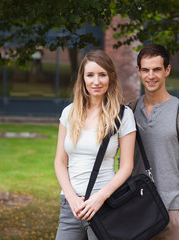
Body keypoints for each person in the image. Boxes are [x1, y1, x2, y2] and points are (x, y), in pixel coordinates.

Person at [54, 50, 136, 240]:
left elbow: (126, 166)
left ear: (111, 78)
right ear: (82, 79)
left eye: (102, 75)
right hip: (71, 206)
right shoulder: (69, 113)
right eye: (90, 75)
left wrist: (100, 198)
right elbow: (60, 161)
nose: (96, 81)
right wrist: (71, 198)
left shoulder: (123, 115)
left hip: (105, 205)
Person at [132, 44, 179, 240]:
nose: (151, 76)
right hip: (135, 209)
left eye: (156, 69)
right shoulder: (129, 112)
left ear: (167, 70)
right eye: (145, 70)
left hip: (172, 213)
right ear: (138, 71)